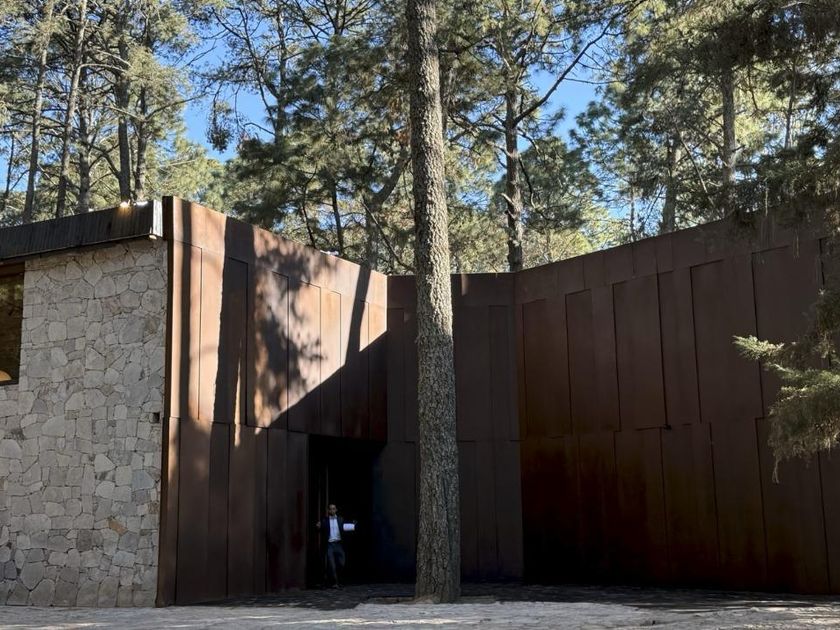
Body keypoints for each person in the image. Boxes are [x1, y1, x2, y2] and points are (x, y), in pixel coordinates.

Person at [315, 503, 353, 588]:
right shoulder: (324, 520)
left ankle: (339, 580)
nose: (332, 510)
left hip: (339, 544)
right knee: (331, 564)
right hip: (330, 545)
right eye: (330, 509)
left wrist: (352, 526)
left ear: (336, 510)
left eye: (333, 509)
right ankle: (335, 583)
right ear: (328, 510)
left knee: (341, 563)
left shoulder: (340, 519)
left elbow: (345, 529)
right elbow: (320, 530)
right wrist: (318, 527)